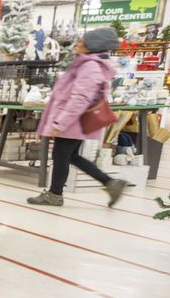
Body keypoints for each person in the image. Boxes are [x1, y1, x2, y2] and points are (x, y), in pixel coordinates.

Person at [27, 26, 128, 207]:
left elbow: (80, 98)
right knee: (70, 156)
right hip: (74, 121)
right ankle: (110, 183)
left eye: (83, 41)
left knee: (61, 155)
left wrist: (61, 122)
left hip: (72, 121)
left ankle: (55, 194)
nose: (78, 43)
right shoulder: (89, 63)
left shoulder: (90, 66)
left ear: (93, 46)